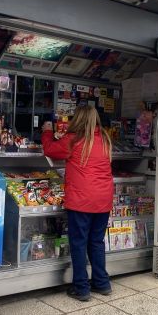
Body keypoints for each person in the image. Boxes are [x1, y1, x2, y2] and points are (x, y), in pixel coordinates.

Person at [41, 105, 114, 301]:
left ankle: (81, 288)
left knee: (79, 243)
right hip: (103, 199)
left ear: (78, 119)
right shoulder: (105, 138)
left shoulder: (73, 139)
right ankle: (102, 283)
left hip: (82, 200)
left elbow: (50, 149)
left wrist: (47, 131)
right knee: (96, 242)